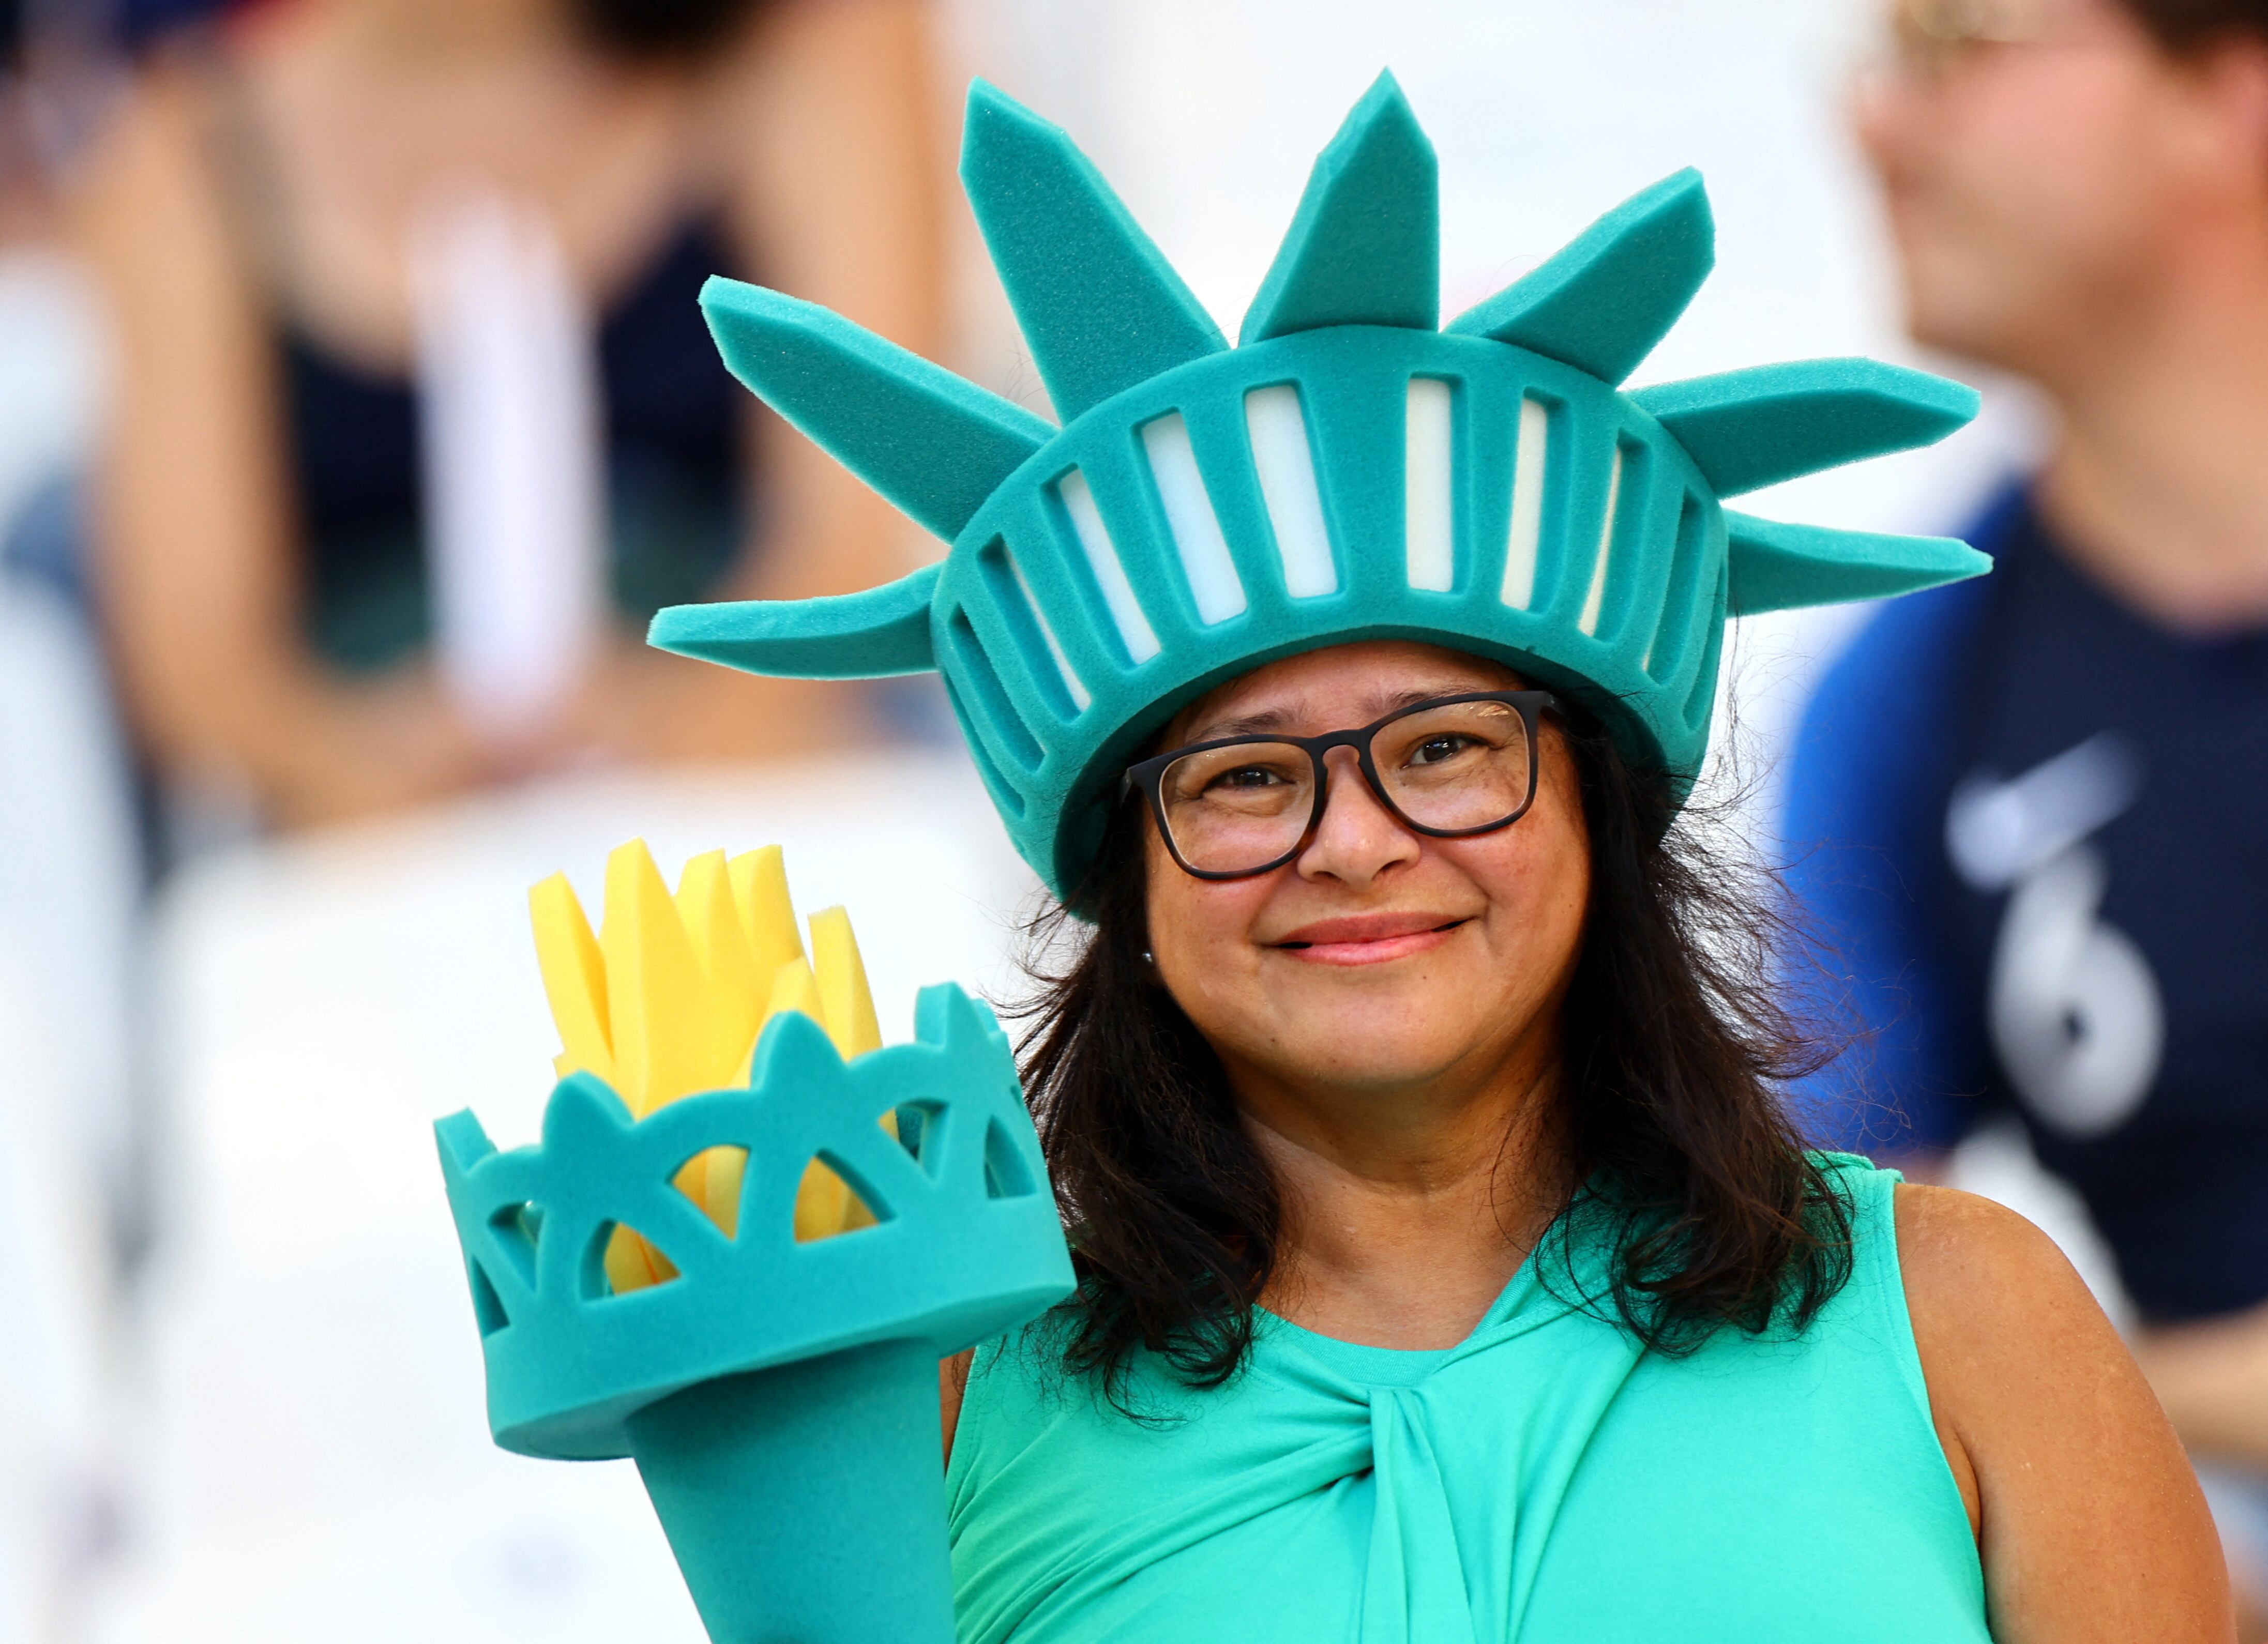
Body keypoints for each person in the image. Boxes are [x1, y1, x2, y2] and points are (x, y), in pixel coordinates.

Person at [641, 74, 2232, 1636]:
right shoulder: (933, 1410)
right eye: (1244, 778)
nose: (1350, 841)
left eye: (1445, 751)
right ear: (1122, 870)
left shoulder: (1970, 1320)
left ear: (1594, 807)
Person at [1786, 0, 2268, 1615]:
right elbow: (1815, 1324)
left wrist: (2095, 1384)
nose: (1871, 124)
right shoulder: (1912, 691)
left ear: (2227, 88)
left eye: (1952, 45)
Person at [70, 0, 942, 828]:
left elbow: (865, 521)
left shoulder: (801, 47)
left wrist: (688, 728)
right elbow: (198, 652)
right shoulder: (187, 142)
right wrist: (352, 766)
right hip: (376, 816)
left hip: (783, 747)